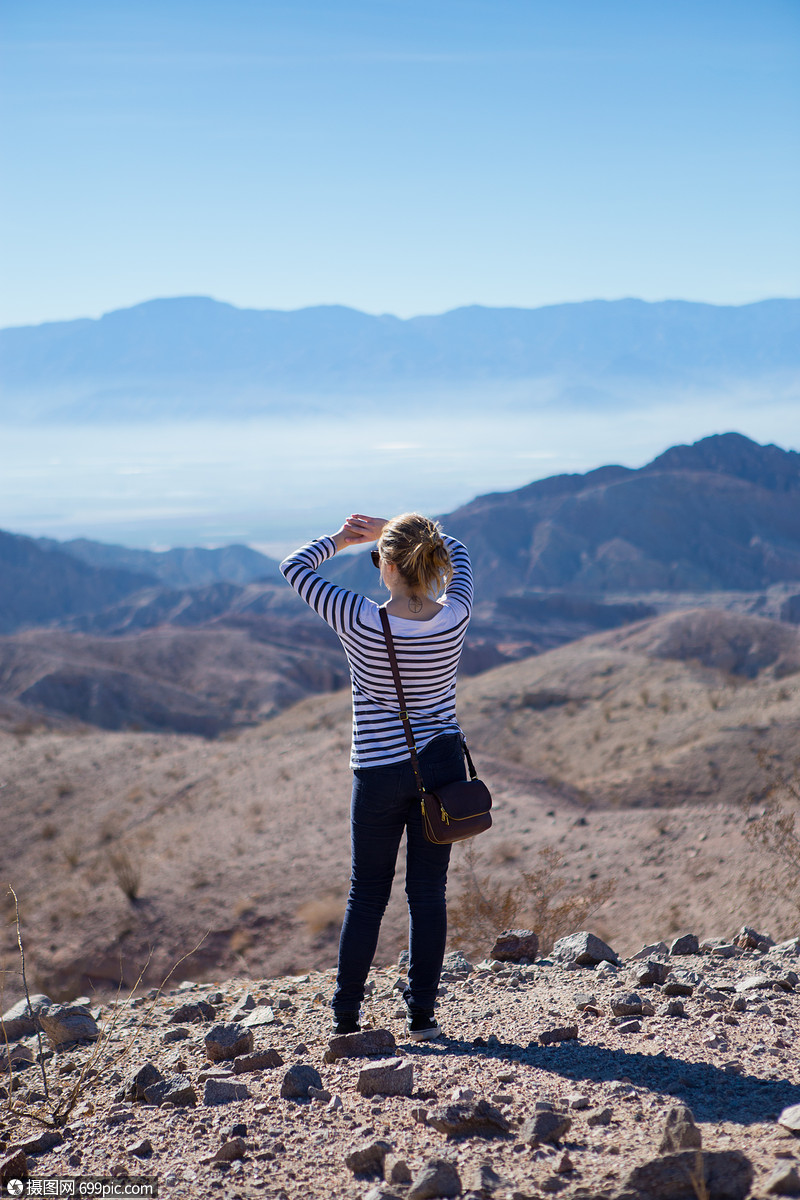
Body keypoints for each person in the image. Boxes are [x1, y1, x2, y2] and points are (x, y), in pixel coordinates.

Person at [280, 512, 473, 1041]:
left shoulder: (357, 617)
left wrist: (342, 539)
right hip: (441, 768)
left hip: (379, 770)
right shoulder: (456, 614)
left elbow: (293, 566)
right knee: (428, 892)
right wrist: (400, 528)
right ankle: (422, 1015)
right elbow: (459, 551)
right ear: (429, 561)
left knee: (366, 894)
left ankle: (346, 1016)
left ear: (387, 566)